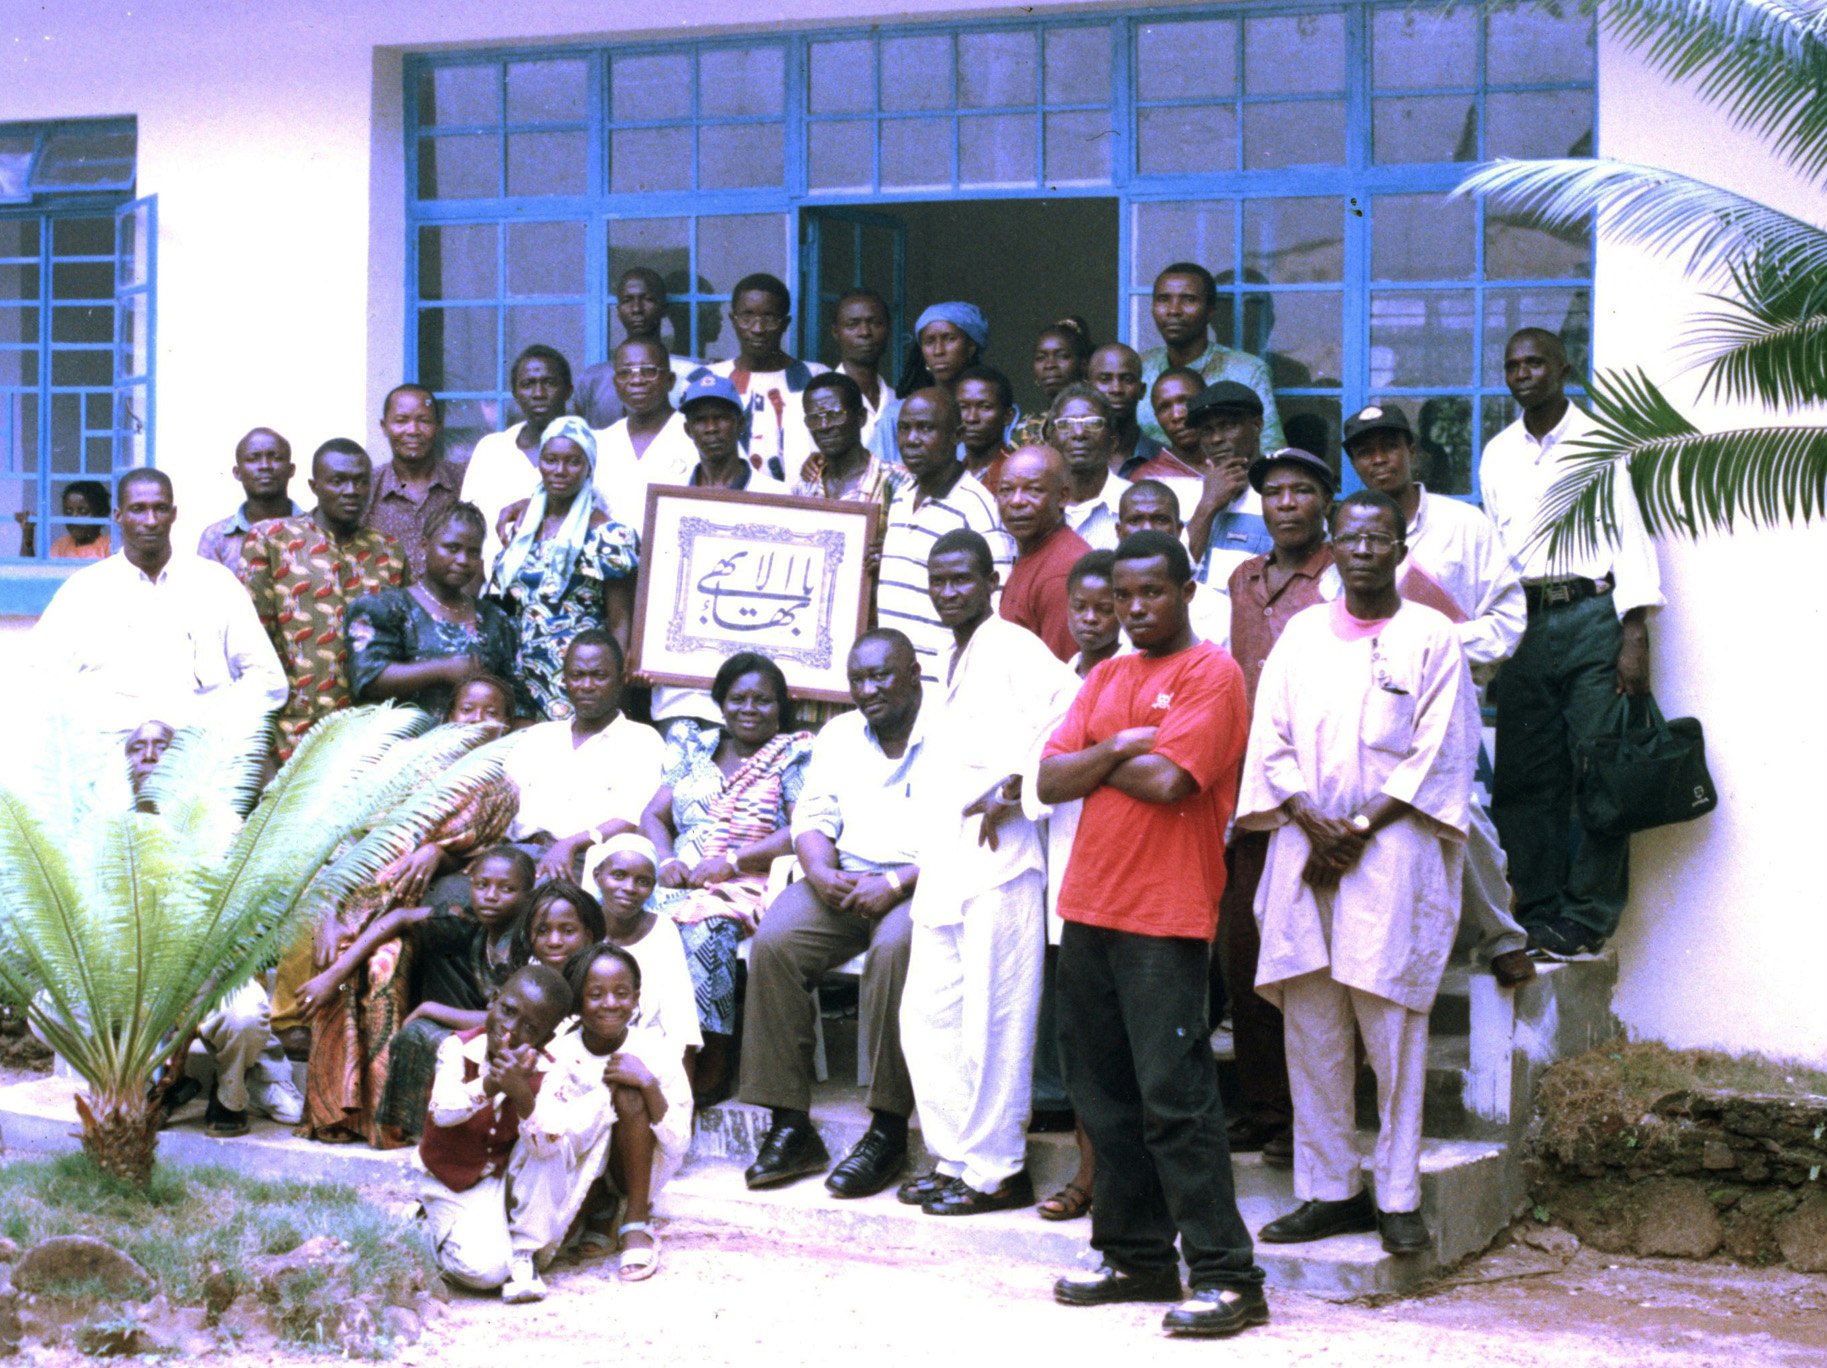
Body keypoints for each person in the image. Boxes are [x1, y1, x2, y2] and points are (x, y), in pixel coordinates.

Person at [1038, 530, 1268, 1339]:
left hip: (1164, 915)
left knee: (1176, 1102)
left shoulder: (1213, 674)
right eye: (1122, 596)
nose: (1134, 610)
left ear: (1185, 591)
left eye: (1151, 594)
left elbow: (1174, 781)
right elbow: (1047, 777)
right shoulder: (1104, 674)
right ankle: (1135, 1257)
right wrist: (1115, 747)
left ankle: (1227, 1276)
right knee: (1104, 1098)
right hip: (1088, 908)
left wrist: (1095, 758)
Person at [1238, 490, 1481, 1257]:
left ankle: (1397, 1193)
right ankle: (1328, 1190)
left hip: (1392, 853)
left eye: (1379, 536)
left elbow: (1440, 752)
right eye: (1351, 537)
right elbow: (1267, 738)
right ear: (1333, 547)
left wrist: (1360, 828)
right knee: (1312, 1030)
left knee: (1392, 1034)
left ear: (1400, 545)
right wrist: (1311, 819)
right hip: (1303, 851)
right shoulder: (1304, 634)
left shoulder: (1430, 636)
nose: (1365, 548)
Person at [897, 531, 1078, 1215]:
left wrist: (1019, 783)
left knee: (994, 1023)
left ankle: (998, 1169)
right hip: (947, 862)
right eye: (938, 581)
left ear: (988, 580)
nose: (949, 592)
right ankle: (956, 1157)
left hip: (1002, 863)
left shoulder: (1012, 646)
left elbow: (1070, 711)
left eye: (961, 580)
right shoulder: (952, 655)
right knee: (928, 1020)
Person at [1331, 404, 1535, 986]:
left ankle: (1501, 937)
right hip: (1373, 699)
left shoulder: (1461, 525)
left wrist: (1436, 642)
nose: (1379, 458)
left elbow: (1509, 619)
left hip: (1450, 696)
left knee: (1460, 808)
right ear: (1353, 462)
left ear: (1411, 451)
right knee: (1372, 812)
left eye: (1389, 446)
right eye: (1365, 450)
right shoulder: (1350, 529)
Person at [1480, 328, 1664, 958]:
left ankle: (1587, 917)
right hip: (1525, 623)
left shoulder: (1598, 443)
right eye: (1512, 366)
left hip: (1591, 614)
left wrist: (1633, 632)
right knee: (1525, 773)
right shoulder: (1498, 453)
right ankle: (1535, 911)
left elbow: (1632, 536)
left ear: (1563, 369)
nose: (1523, 374)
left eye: (1535, 362)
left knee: (1600, 769)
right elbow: (1499, 555)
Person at [738, 630, 928, 1197]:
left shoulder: (951, 730)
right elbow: (813, 815)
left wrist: (897, 883)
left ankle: (888, 1130)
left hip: (924, 881)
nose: (867, 690)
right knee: (775, 943)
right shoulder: (840, 734)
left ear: (915, 674)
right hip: (844, 876)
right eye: (857, 680)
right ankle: (789, 1123)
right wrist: (819, 871)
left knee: (895, 951)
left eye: (881, 677)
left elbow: (965, 831)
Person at [292, 676, 520, 1144]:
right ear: (448, 717)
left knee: (382, 967)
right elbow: (349, 844)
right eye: (467, 710)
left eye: (491, 712)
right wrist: (330, 913)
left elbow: (480, 856)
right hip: (357, 898)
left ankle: (382, 1118)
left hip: (412, 911)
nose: (478, 721)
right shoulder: (407, 772)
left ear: (507, 724)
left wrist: (440, 853)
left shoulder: (500, 790)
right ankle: (332, 1113)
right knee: (332, 951)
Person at [1217, 446, 1337, 1164]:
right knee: (1244, 947)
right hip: (1248, 789)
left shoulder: (1340, 580)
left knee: (1308, 957)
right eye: (1273, 492)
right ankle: (1263, 1105)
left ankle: (1309, 1113)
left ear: (1323, 499)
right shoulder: (1240, 579)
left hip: (1313, 790)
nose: (1285, 503)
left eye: (1300, 491)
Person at [640, 652, 813, 1107]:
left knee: (706, 925)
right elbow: (654, 815)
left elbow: (803, 829)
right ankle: (642, 1045)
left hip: (751, 879)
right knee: (629, 914)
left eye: (762, 700)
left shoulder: (793, 754)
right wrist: (664, 859)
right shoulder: (693, 747)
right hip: (680, 875)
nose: (749, 709)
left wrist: (733, 861)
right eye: (738, 699)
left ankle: (710, 1053)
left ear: (780, 707)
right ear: (721, 702)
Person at [117, 720, 304, 1139]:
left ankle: (231, 1091)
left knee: (242, 1017)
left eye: (161, 745)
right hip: (143, 976)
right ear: (125, 762)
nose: (149, 755)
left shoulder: (220, 825)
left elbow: (249, 920)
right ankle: (151, 1087)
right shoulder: (116, 831)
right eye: (137, 747)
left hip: (216, 972)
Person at [33, 469, 287, 737]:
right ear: (118, 516)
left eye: (160, 509)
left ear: (174, 514)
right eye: (138, 510)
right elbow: (40, 674)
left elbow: (268, 678)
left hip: (198, 753)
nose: (151, 520)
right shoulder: (84, 591)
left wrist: (220, 729)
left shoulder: (216, 585)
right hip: (110, 756)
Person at [1032, 549, 1121, 1221]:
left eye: (1104, 607)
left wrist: (1082, 766)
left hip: (1131, 878)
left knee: (1129, 1047)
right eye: (1080, 608)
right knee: (1084, 1045)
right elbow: (1043, 778)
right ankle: (1090, 1170)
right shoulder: (1054, 680)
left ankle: (1125, 1180)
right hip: (1066, 879)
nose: (1091, 620)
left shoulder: (1137, 675)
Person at [416, 963, 578, 1302]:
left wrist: (522, 1094)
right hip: (451, 1180)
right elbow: (443, 1112)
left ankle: (523, 1254)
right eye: (507, 1011)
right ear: (493, 1001)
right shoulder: (457, 1049)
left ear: (546, 1037)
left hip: (500, 1180)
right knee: (485, 1272)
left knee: (554, 1143)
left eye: (530, 1027)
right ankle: (421, 1225)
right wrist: (490, 1084)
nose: (511, 1029)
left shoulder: (551, 1070)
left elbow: (546, 1147)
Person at [239, 440, 406, 760]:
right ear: (314, 485)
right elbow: (253, 641)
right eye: (338, 481)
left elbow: (399, 642)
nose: (351, 490)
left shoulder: (388, 551)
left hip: (367, 734)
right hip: (293, 728)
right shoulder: (271, 539)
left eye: (360, 481)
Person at [551, 944, 692, 1281]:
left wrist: (648, 1084)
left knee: (630, 1094)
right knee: (555, 1245)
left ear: (636, 998)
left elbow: (678, 1145)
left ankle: (636, 1220)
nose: (611, 1004)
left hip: (638, 1168)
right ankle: (599, 1206)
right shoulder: (560, 1053)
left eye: (621, 993)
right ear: (577, 1001)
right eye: (595, 995)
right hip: (584, 1168)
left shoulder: (656, 1049)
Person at [485, 417, 639, 720]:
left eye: (573, 462)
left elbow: (620, 620)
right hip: (518, 673)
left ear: (588, 468)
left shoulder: (608, 535)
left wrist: (615, 686)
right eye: (551, 460)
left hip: (578, 678)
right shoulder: (523, 528)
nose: (560, 471)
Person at [501, 631, 667, 884]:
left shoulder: (642, 741)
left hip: (586, 860)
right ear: (565, 679)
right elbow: (501, 801)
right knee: (449, 894)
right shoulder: (536, 737)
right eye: (577, 676)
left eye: (599, 676)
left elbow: (633, 819)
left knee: (539, 898)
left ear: (621, 679)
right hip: (516, 855)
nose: (587, 685)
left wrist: (571, 844)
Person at [875, 388, 1014, 683]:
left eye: (926, 428)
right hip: (898, 681)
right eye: (905, 428)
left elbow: (996, 605)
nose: (912, 439)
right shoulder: (900, 498)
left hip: (945, 683)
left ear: (956, 435)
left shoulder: (977, 507)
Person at [347, 502, 526, 719]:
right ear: (424, 547)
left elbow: (517, 698)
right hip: (403, 746)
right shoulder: (386, 608)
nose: (463, 560)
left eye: (473, 552)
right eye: (452, 548)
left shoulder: (495, 620)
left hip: (479, 749)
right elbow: (368, 678)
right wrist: (443, 669)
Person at [583, 834, 702, 1070]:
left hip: (643, 1057)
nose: (629, 888)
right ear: (597, 876)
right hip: (582, 1052)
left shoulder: (662, 930)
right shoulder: (577, 926)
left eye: (643, 881)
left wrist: (683, 1102)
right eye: (618, 876)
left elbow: (681, 1021)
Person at [694, 272, 826, 483]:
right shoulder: (709, 380)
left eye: (769, 318)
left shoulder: (816, 379)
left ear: (785, 323)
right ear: (733, 320)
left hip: (798, 507)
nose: (757, 329)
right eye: (747, 317)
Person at [1139, 262, 1283, 454]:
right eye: (1163, 299)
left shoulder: (1247, 370)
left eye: (1189, 299)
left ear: (1211, 311)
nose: (1173, 310)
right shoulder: (1140, 368)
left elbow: (1272, 450)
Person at [463, 344, 576, 567]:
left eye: (550, 383)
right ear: (515, 393)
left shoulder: (591, 449)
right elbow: (469, 528)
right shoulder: (491, 449)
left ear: (568, 391)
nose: (539, 394)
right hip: (495, 593)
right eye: (527, 385)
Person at [591, 337, 698, 530]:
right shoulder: (599, 442)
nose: (637, 380)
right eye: (625, 373)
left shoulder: (699, 436)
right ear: (616, 383)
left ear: (670, 381)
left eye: (649, 371)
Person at [996, 444, 1091, 661]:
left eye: (1033, 490)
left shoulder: (1063, 572)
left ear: (1062, 497)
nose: (1016, 501)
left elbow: (1061, 676)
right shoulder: (1033, 552)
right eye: (1006, 490)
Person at [572, 267, 697, 430]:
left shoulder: (690, 375)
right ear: (618, 311)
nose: (637, 309)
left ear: (664, 308)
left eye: (647, 299)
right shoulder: (592, 381)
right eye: (627, 300)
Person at [1116, 480, 1232, 650]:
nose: (1148, 529)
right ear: (1119, 531)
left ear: (1178, 530)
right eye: (1135, 520)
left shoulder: (1217, 610)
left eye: (1160, 520)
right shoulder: (1099, 601)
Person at [365, 384, 464, 582]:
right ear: (384, 427)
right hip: (385, 608)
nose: (413, 430)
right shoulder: (366, 487)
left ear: (439, 425)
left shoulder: (463, 481)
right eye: (401, 421)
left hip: (450, 609)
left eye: (424, 421)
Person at [1183, 381, 1275, 585]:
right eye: (1207, 430)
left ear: (1257, 425)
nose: (1216, 439)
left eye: (1228, 426)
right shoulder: (1189, 495)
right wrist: (1207, 506)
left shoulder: (1280, 494)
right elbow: (1175, 576)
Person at [792, 371, 904, 519]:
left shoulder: (897, 483)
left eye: (835, 414)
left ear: (861, 417)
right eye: (814, 418)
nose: (824, 426)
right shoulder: (805, 487)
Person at [197, 429, 301, 570]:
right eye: (253, 459)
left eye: (275, 457)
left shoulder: (317, 531)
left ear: (291, 469)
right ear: (237, 473)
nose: (265, 466)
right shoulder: (215, 538)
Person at [676, 371, 790, 495]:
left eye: (720, 417)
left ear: (741, 424)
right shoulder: (672, 491)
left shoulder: (774, 493)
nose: (711, 428)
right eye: (700, 420)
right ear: (688, 430)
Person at [1047, 383, 1125, 551]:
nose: (1079, 433)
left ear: (1113, 440)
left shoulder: (1133, 504)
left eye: (1093, 423)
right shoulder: (1037, 507)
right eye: (1065, 424)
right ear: (1049, 441)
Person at [828, 288, 899, 458]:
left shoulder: (896, 401)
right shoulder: (815, 402)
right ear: (835, 332)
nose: (865, 332)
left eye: (875, 323)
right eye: (853, 324)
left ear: (888, 330)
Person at [1087, 344, 1165, 477]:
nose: (1116, 389)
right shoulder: (1072, 457)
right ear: (1088, 390)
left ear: (1142, 391)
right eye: (1105, 379)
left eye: (1127, 379)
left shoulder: (1163, 458)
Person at [1014, 317, 1093, 447]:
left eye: (1062, 356)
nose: (1049, 365)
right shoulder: (1027, 427)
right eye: (1041, 358)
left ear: (1083, 365)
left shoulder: (1096, 423)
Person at [900, 301, 989, 399]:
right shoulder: (903, 411)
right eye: (929, 342)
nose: (938, 351)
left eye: (950, 339)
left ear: (971, 346)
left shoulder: (996, 410)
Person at [517, 880, 607, 975]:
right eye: (542, 931)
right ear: (528, 936)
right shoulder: (520, 985)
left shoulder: (604, 983)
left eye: (568, 931)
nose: (554, 942)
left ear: (588, 937)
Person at [16, 480, 113, 560]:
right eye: (68, 511)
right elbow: (30, 571)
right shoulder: (61, 545)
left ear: (101, 513)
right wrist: (28, 532)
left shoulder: (109, 545)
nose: (74, 517)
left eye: (83, 511)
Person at [956, 364, 1017, 489]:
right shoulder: (950, 476)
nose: (971, 418)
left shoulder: (1018, 475)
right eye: (963, 407)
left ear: (1008, 416)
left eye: (985, 407)